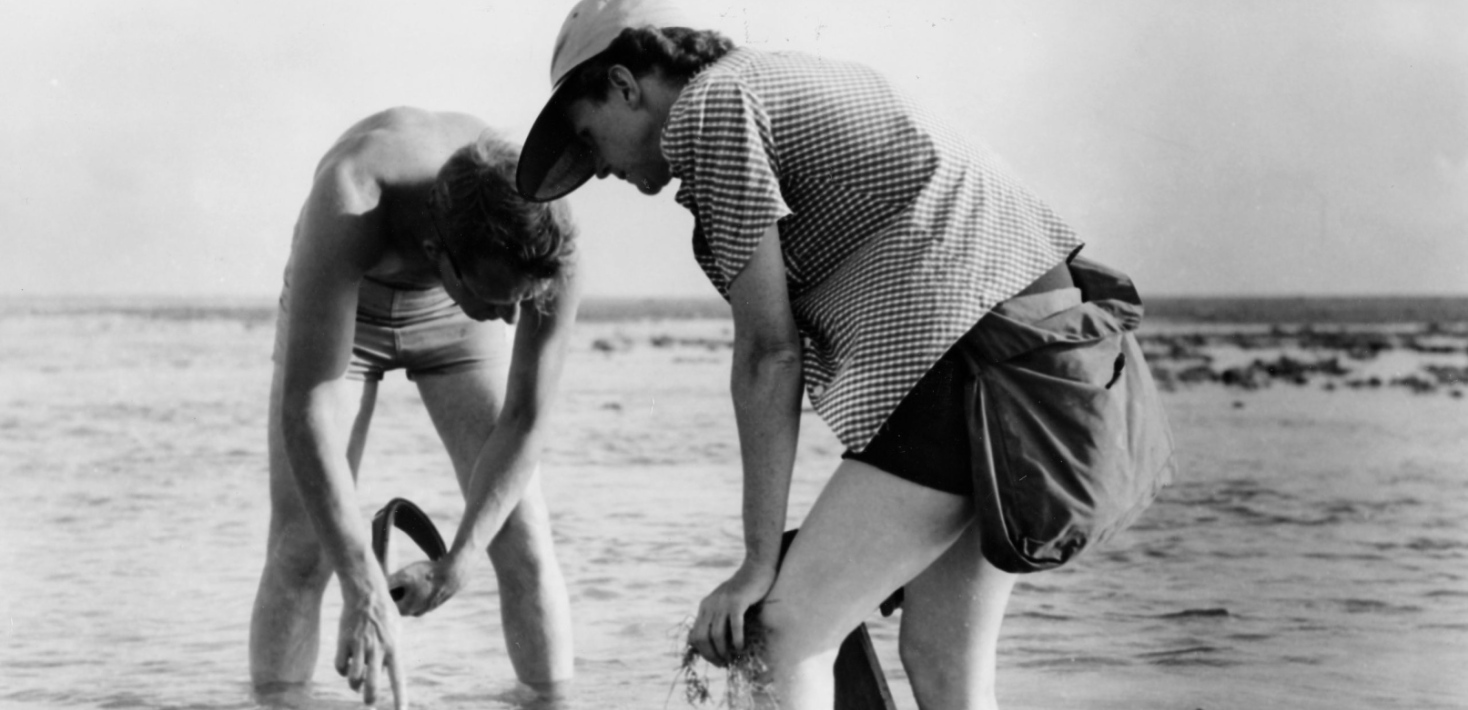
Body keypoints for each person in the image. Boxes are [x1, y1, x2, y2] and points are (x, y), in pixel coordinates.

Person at [514, 2, 1176, 709]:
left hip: (973, 361)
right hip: (1039, 361)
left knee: (781, 633)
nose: (600, 171)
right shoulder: (774, 77)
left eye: (589, 140)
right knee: (944, 655)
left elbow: (769, 355)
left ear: (624, 84)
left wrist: (757, 564)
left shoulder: (710, 112)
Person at [249, 107, 580, 709]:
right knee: (303, 547)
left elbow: (526, 417)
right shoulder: (353, 194)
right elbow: (309, 408)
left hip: (455, 311)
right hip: (354, 294)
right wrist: (363, 586)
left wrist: (458, 562)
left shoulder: (549, 231)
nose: (513, 322)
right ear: (438, 254)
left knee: (523, 537)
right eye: (500, 303)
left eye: (522, 303)